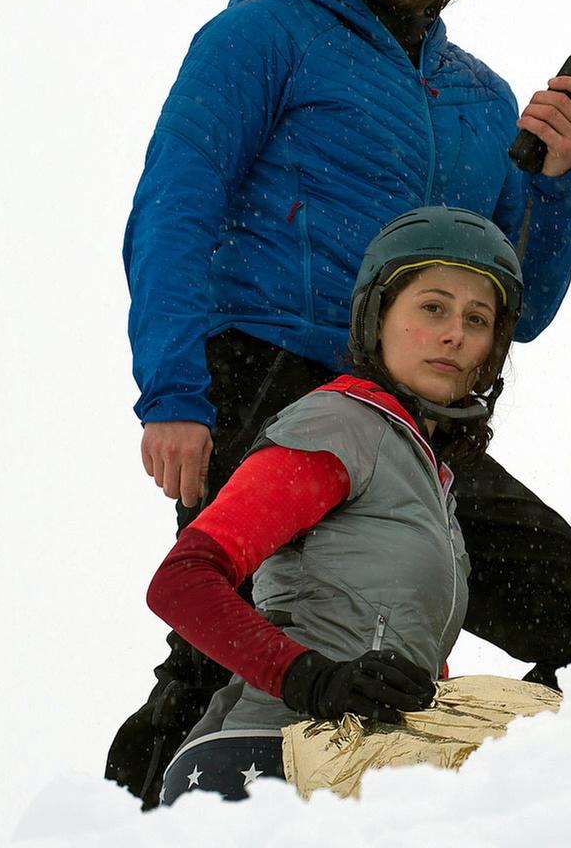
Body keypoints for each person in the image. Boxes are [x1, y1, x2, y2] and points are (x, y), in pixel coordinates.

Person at [111, 0, 571, 808]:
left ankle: (477, 799)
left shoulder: (484, 99)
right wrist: (173, 392)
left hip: (418, 415)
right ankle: (135, 820)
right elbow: (176, 201)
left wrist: (557, 180)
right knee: (224, 658)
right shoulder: (265, 34)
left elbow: (516, 311)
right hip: (263, 379)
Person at [147, 207, 514, 806]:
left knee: (549, 740)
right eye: (432, 307)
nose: (455, 334)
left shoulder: (431, 480)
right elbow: (181, 581)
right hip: (265, 758)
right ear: (377, 319)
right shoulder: (340, 423)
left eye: (477, 319)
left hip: (356, 762)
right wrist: (312, 679)